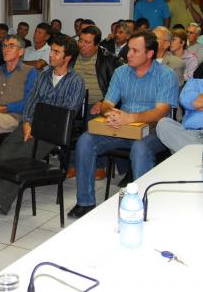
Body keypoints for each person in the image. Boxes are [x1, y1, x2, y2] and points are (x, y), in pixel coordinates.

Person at [67, 32, 178, 219]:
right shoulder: (121, 72)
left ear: (149, 54)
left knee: (140, 148)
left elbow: (161, 111)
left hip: (153, 130)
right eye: (129, 49)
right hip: (122, 127)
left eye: (135, 50)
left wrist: (131, 118)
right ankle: (85, 202)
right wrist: (111, 113)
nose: (128, 54)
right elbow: (107, 103)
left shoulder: (166, 75)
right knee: (86, 140)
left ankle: (140, 205)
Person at [0, 34, 84, 219]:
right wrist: (27, 123)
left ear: (68, 57)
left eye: (57, 52)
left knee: (21, 156)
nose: (51, 55)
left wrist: (37, 122)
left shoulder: (75, 81)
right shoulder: (44, 75)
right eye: (52, 51)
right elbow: (31, 102)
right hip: (31, 124)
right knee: (7, 148)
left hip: (53, 132)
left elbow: (66, 113)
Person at [73, 25, 122, 115]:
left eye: (87, 42)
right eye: (80, 40)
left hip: (96, 105)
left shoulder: (109, 59)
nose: (81, 45)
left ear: (97, 45)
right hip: (72, 103)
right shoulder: (71, 55)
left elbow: (118, 87)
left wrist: (104, 102)